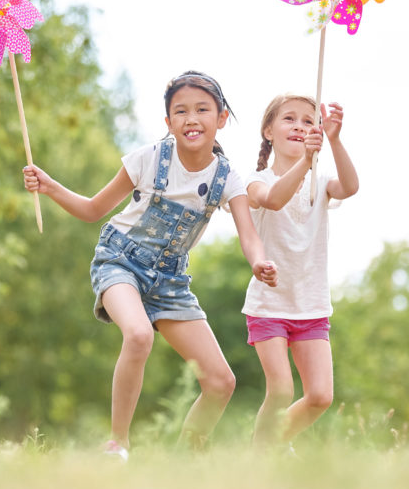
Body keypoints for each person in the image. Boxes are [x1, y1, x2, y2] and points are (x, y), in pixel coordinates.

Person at [23, 71, 278, 460]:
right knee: (138, 335)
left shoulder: (227, 178)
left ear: (222, 117)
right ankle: (117, 444)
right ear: (169, 122)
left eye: (202, 109)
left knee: (221, 382)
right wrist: (49, 185)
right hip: (120, 262)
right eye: (181, 111)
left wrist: (259, 262)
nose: (191, 118)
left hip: (171, 281)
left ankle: (182, 462)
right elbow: (94, 210)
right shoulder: (148, 158)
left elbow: (249, 235)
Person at [241, 94, 359, 448]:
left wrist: (334, 141)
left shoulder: (319, 180)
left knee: (320, 396)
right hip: (269, 305)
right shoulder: (255, 180)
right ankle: (258, 458)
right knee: (279, 391)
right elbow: (274, 199)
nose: (299, 126)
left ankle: (271, 445)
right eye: (289, 119)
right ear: (268, 131)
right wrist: (306, 161)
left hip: (311, 304)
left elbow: (350, 187)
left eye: (309, 121)